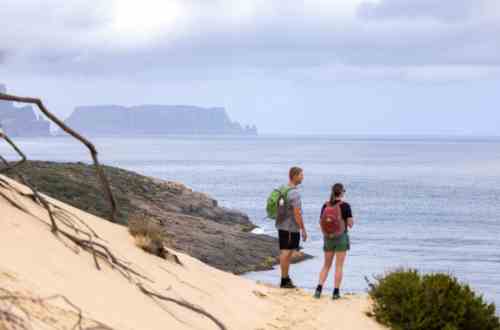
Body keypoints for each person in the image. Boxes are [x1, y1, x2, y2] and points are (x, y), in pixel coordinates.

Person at [314, 183, 353, 299]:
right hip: (341, 237)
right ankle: (335, 292)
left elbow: (321, 222)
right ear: (341, 192)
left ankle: (318, 289)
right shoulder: (345, 206)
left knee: (326, 265)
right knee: (339, 266)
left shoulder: (325, 205)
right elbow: (350, 224)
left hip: (328, 238)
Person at [276, 166, 308, 289]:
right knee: (286, 253)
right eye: (301, 175)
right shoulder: (294, 193)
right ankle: (284, 280)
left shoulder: (284, 189)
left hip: (282, 225)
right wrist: (303, 229)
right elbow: (297, 213)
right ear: (294, 176)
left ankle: (286, 278)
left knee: (286, 253)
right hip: (290, 227)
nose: (302, 177)